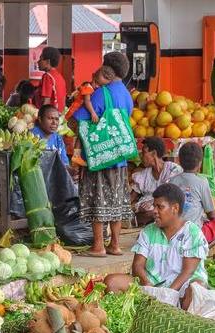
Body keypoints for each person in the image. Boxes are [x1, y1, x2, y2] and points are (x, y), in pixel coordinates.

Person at [103, 183, 209, 310]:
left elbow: (188, 271)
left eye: (160, 207)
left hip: (181, 287)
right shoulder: (148, 231)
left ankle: (182, 319)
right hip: (152, 286)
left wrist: (168, 294)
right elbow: (137, 265)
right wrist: (147, 284)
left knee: (196, 290)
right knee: (112, 282)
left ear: (175, 208)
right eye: (154, 206)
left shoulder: (192, 232)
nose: (154, 211)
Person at [70, 51, 135, 257]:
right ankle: (115, 245)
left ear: (107, 69)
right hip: (120, 157)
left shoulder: (100, 93)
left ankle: (98, 245)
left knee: (98, 197)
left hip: (100, 156)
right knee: (116, 198)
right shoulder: (126, 94)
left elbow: (79, 121)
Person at [172, 142, 215, 242]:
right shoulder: (202, 181)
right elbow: (211, 215)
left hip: (173, 231)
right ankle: (205, 247)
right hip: (193, 233)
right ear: (200, 163)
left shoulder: (173, 181)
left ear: (179, 162)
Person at [67, 66, 114, 167]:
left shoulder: (92, 87)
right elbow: (87, 101)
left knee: (81, 135)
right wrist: (93, 113)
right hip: (75, 116)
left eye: (100, 86)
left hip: (76, 117)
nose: (97, 86)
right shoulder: (88, 87)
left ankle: (76, 157)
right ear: (93, 76)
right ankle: (76, 156)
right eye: (96, 82)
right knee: (82, 135)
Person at [130, 136, 182, 225]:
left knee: (155, 210)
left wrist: (152, 203)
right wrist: (134, 207)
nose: (141, 156)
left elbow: (174, 196)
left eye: (144, 153)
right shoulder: (143, 175)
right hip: (144, 211)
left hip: (164, 207)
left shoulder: (173, 170)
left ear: (154, 153)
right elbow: (131, 198)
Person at [35, 46, 66, 113]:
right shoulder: (60, 76)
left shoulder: (47, 76)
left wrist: (40, 117)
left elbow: (46, 101)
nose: (38, 62)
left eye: (40, 59)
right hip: (59, 116)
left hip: (50, 116)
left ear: (47, 62)